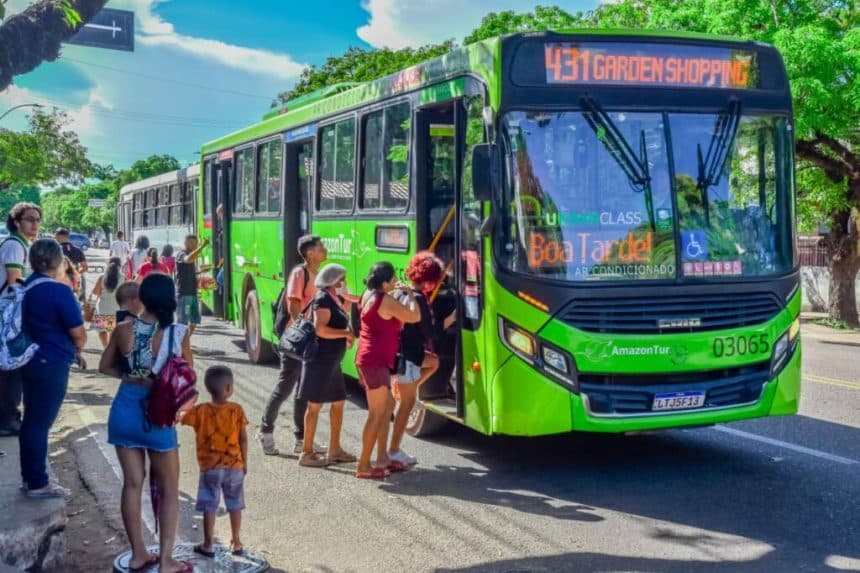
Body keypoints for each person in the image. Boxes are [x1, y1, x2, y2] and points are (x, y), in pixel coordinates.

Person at [99, 273, 194, 573]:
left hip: (125, 409)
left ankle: (138, 554)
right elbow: (187, 374)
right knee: (169, 488)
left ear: (143, 299)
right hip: (159, 415)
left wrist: (128, 377)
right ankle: (167, 560)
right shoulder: (178, 332)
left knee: (131, 484)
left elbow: (105, 366)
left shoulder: (124, 329)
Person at [20, 238, 86, 498]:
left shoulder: (25, 286)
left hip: (28, 359)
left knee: (31, 420)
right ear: (58, 261)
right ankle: (38, 482)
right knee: (39, 423)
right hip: (52, 361)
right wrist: (79, 348)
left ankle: (31, 477)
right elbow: (78, 333)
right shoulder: (59, 291)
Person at [257, 235, 328, 456]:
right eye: (320, 247)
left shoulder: (318, 275)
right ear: (309, 253)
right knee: (285, 387)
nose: (324, 249)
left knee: (303, 391)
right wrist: (304, 329)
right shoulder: (300, 273)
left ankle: (301, 439)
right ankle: (265, 431)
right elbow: (294, 303)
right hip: (297, 340)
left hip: (310, 340)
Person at [389, 252, 456, 466]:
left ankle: (408, 388)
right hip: (408, 357)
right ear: (428, 281)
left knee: (433, 362)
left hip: (404, 352)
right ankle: (394, 450)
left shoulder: (401, 293)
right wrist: (452, 318)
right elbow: (432, 332)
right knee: (406, 406)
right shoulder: (417, 299)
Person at [354, 262, 420, 479]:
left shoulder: (368, 294)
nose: (395, 281)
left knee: (389, 405)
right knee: (376, 414)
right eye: (393, 279)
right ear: (385, 282)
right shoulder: (386, 300)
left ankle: (382, 457)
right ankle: (364, 465)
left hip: (373, 359)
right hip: (374, 360)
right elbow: (414, 317)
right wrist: (411, 295)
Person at [180, 366, 248, 557]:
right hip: (234, 465)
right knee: (235, 504)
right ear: (228, 388)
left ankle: (208, 544)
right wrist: (245, 462)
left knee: (210, 505)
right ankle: (236, 542)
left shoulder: (200, 411)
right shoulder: (237, 410)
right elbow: (243, 438)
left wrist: (191, 399)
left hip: (210, 468)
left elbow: (182, 417)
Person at [295, 264, 357, 468]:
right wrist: (346, 334)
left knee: (338, 402)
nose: (344, 282)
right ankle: (306, 452)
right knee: (314, 406)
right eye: (342, 279)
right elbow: (321, 329)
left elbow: (339, 319)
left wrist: (347, 302)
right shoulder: (322, 299)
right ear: (333, 281)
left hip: (332, 361)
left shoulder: (333, 299)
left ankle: (334, 449)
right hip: (320, 361)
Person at [0, 202, 41, 437]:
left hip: (10, 314)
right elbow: (15, 281)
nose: (34, 224)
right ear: (17, 222)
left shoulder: (21, 245)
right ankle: (8, 418)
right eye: (29, 219)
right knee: (11, 367)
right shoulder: (15, 246)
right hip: (7, 316)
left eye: (37, 219)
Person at [175, 235, 209, 337]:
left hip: (192, 294)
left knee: (194, 321)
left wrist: (201, 274)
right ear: (186, 244)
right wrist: (202, 247)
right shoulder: (181, 254)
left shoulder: (191, 254)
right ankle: (180, 346)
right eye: (193, 244)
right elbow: (188, 259)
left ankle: (185, 344)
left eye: (196, 244)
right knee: (183, 323)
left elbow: (189, 271)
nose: (195, 246)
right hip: (184, 295)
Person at [90, 257, 125, 347]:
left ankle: (105, 347)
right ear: (120, 266)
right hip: (116, 309)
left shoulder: (102, 277)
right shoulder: (123, 277)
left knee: (102, 331)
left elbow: (95, 292)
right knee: (112, 331)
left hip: (102, 308)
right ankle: (111, 349)